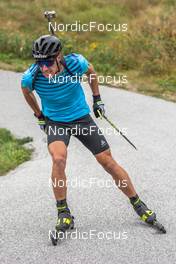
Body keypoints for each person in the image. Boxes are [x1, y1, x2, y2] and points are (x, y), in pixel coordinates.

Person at [21, 35, 156, 233]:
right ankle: (64, 213)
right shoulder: (31, 76)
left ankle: (138, 203)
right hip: (56, 121)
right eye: (39, 63)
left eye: (48, 62)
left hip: (81, 117)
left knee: (106, 160)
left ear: (59, 56)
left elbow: (91, 72)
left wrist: (97, 100)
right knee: (58, 158)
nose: (44, 68)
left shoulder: (75, 63)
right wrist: (39, 115)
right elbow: (26, 91)